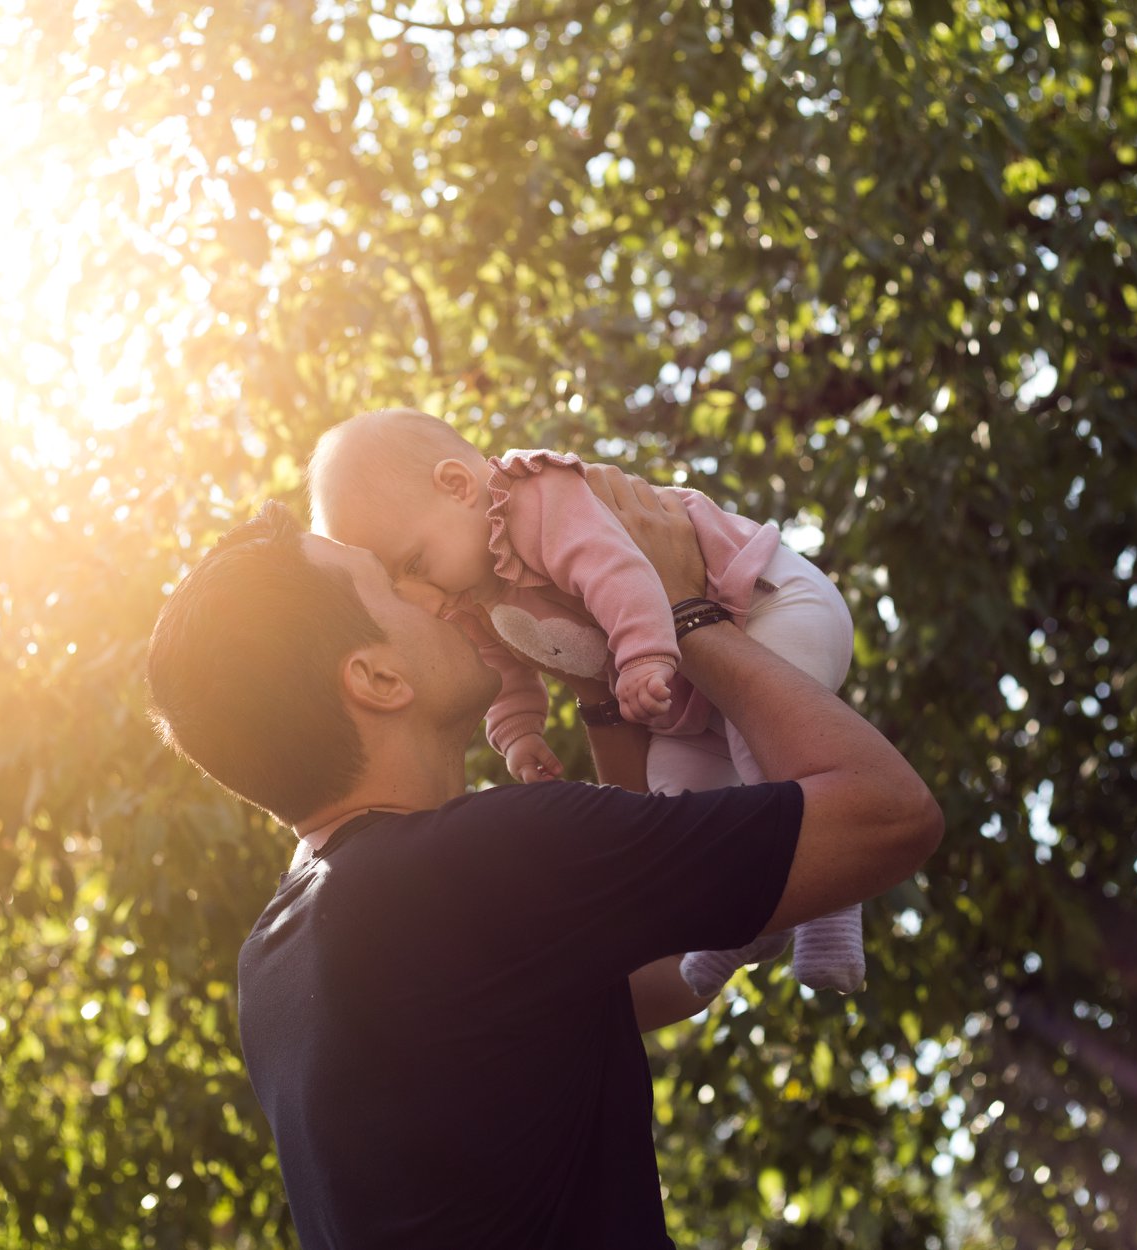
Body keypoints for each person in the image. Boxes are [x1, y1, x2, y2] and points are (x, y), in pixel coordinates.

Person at [144, 472, 941, 1248]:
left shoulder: (278, 955)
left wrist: (602, 695)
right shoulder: (481, 863)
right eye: (392, 588)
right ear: (377, 679)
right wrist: (686, 612)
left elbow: (650, 978)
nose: (434, 595)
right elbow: (887, 815)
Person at [306, 408, 865, 995]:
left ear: (457, 485)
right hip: (695, 686)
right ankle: (730, 927)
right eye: (400, 584)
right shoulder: (466, 591)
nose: (422, 596)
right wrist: (520, 734)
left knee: (766, 759)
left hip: (765, 604)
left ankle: (834, 898)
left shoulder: (536, 502)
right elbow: (499, 668)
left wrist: (645, 653)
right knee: (676, 803)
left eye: (414, 564)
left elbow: (615, 569)